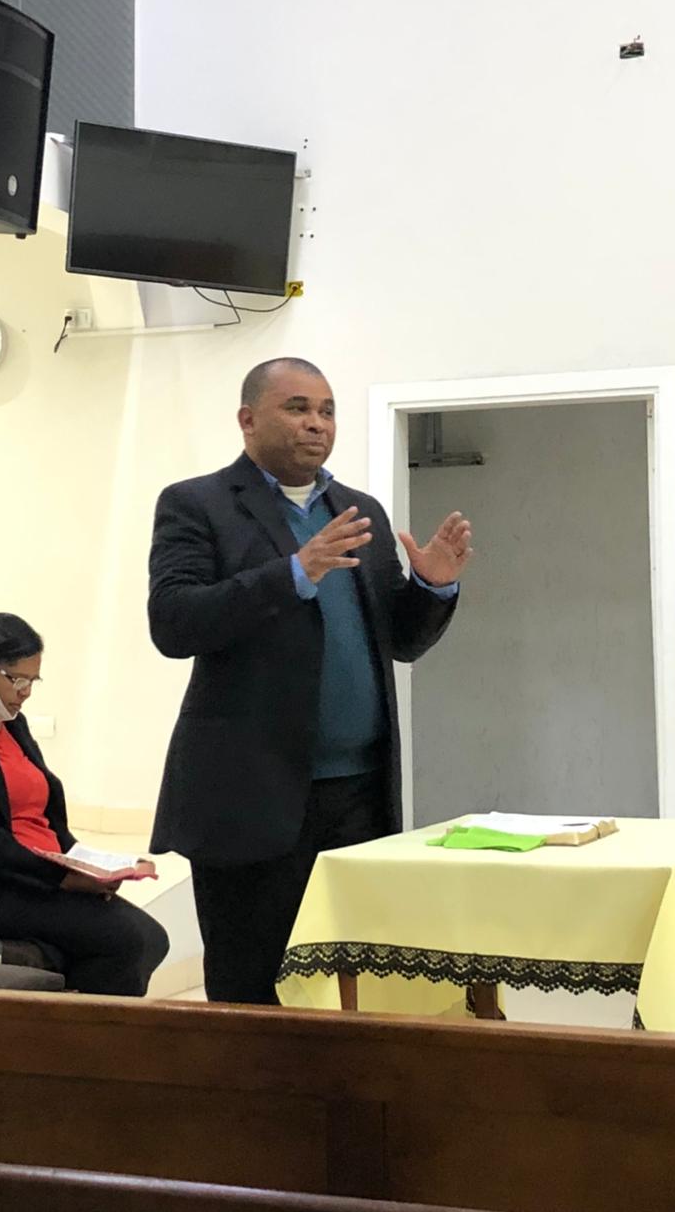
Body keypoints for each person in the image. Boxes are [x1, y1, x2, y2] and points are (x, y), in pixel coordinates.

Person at [148, 357, 472, 1004]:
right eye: (297, 408)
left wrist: (433, 588)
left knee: (356, 981)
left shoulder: (359, 510)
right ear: (248, 420)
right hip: (251, 795)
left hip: (358, 793)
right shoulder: (198, 504)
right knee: (254, 987)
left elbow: (399, 641)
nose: (316, 424)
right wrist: (294, 573)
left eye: (326, 411)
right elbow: (174, 623)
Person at [0, 614, 169, 996]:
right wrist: (61, 877)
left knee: (151, 938)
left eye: (33, 681)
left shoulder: (13, 725)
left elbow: (45, 812)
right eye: (17, 680)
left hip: (30, 873)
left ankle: (75, 1019)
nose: (25, 692)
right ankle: (75, 1028)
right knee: (128, 941)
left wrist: (90, 866)